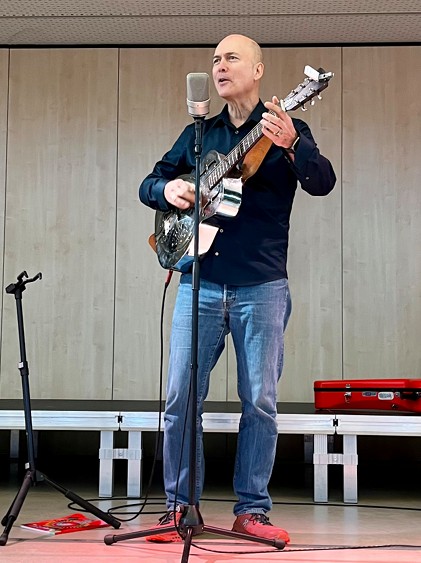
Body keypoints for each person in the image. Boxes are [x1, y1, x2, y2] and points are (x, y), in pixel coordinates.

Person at [139, 34, 336, 543]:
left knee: (260, 402)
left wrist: (292, 144)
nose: (220, 66)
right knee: (181, 398)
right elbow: (149, 184)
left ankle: (252, 511)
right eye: (215, 60)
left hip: (262, 284)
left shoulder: (286, 126)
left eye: (231, 58)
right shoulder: (199, 134)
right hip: (199, 281)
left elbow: (322, 181)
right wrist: (169, 188)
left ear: (258, 70)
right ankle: (180, 507)